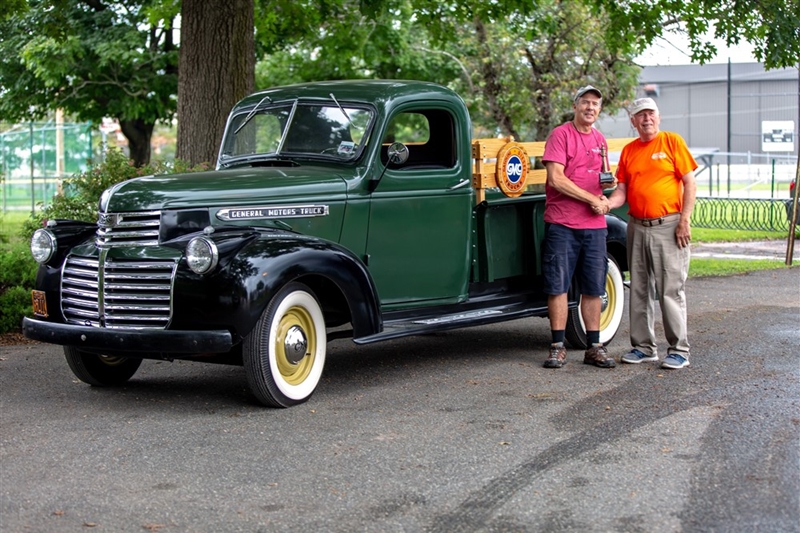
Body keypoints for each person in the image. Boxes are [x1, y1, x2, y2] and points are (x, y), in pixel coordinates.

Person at [607, 97, 697, 369]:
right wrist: (606, 204)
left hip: (669, 225)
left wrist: (685, 220)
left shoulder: (672, 142)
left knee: (670, 289)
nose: (646, 119)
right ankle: (644, 347)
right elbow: (622, 190)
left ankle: (679, 350)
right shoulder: (629, 151)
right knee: (640, 288)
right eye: (640, 115)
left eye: (650, 114)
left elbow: (689, 182)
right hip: (637, 226)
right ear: (633, 122)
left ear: (658, 117)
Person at [540, 85, 616, 369]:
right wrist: (591, 199)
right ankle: (557, 345)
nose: (590, 108)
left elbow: (602, 180)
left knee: (594, 287)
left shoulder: (600, 140)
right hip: (563, 222)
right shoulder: (561, 135)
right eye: (585, 102)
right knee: (558, 285)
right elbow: (556, 179)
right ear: (575, 106)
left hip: (595, 225)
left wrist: (609, 187)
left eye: (595, 104)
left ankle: (594, 346)